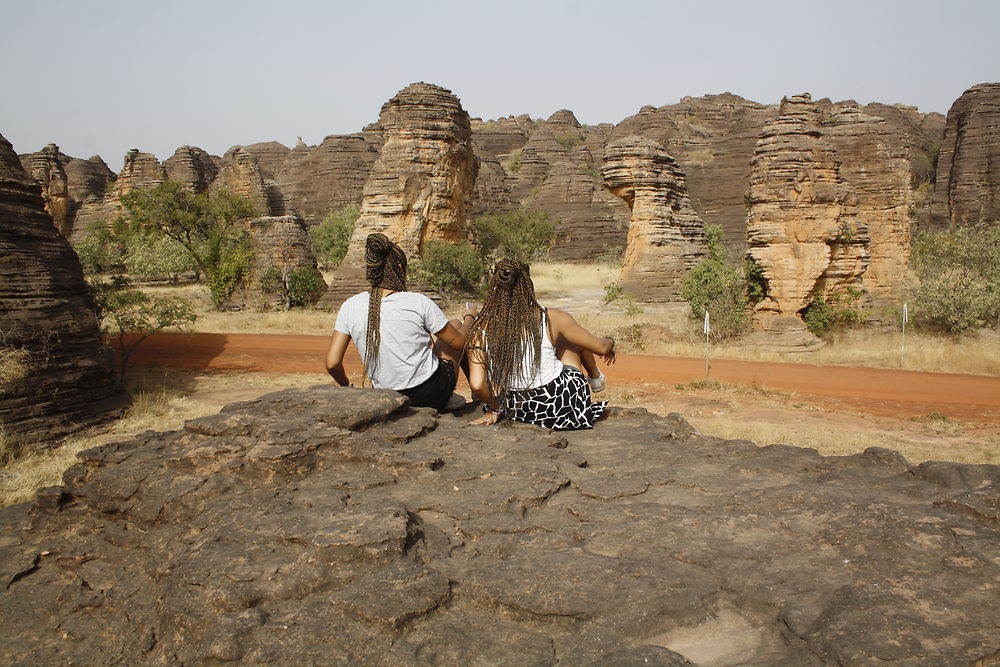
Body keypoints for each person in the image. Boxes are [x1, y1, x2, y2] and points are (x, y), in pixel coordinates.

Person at [325, 233, 470, 411]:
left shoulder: (351, 305)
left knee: (452, 324)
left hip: (387, 396)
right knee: (456, 324)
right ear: (400, 267)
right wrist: (470, 318)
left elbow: (332, 363)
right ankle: (463, 395)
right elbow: (459, 343)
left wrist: (345, 385)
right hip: (429, 395)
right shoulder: (417, 301)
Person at [467, 259, 616, 429]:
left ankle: (596, 378)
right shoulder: (553, 317)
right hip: (559, 405)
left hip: (515, 409)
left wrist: (494, 409)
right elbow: (601, 348)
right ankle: (596, 378)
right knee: (570, 339)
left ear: (495, 287)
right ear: (528, 285)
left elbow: (477, 384)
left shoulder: (480, 328)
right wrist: (611, 342)